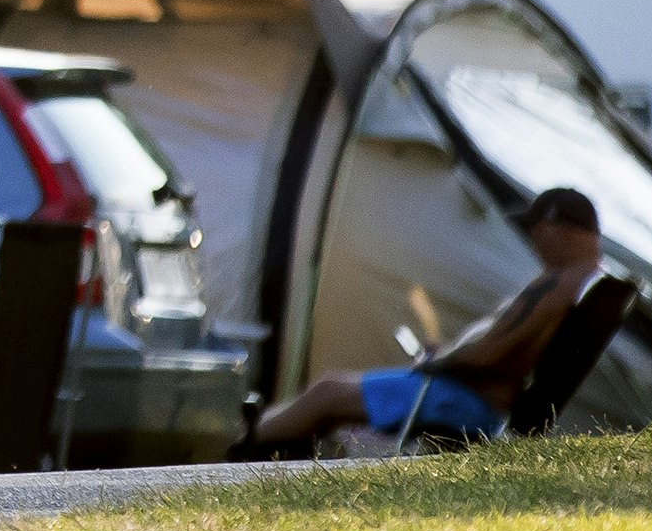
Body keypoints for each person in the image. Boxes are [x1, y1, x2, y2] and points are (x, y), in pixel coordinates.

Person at [242, 186, 608, 451]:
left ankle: (240, 449)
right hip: (476, 397)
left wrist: (439, 361)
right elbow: (503, 350)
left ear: (559, 226)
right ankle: (262, 446)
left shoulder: (556, 285)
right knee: (331, 397)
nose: (532, 241)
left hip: (467, 404)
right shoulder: (583, 282)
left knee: (328, 392)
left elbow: (487, 355)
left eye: (535, 230)